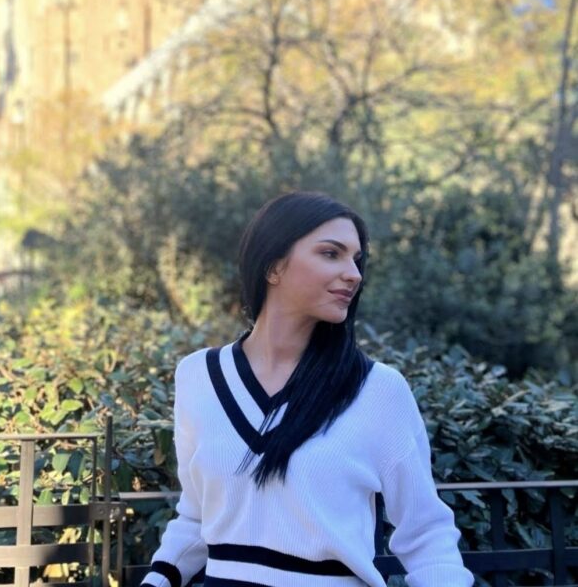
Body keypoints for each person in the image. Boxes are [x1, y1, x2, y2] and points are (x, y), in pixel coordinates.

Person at [139, 191, 475, 587]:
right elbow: (196, 518)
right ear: (274, 266)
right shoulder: (198, 376)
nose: (354, 273)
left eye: (357, 259)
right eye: (332, 254)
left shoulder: (378, 390)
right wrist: (157, 580)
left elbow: (426, 535)